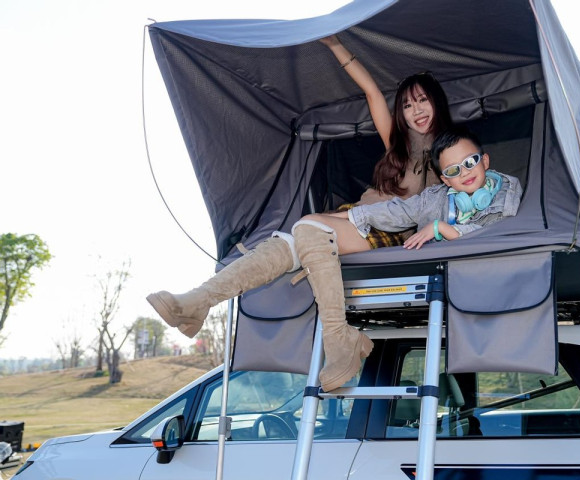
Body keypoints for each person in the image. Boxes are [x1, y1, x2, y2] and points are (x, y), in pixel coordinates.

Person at [147, 126, 522, 392]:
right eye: (454, 170)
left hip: (452, 268)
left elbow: (498, 232)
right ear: (444, 178)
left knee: (304, 232)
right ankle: (201, 301)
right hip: (382, 230)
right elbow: (394, 212)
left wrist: (442, 228)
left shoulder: (505, 189)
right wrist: (343, 217)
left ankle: (200, 303)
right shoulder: (434, 197)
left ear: (485, 160)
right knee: (303, 232)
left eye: (471, 162)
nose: (465, 172)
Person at [320, 35, 453, 246]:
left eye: (422, 100)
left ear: (437, 101)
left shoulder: (454, 148)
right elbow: (372, 92)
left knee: (313, 233)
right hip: (359, 213)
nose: (416, 111)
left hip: (391, 228)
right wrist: (334, 44)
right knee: (304, 226)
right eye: (407, 105)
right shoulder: (399, 141)